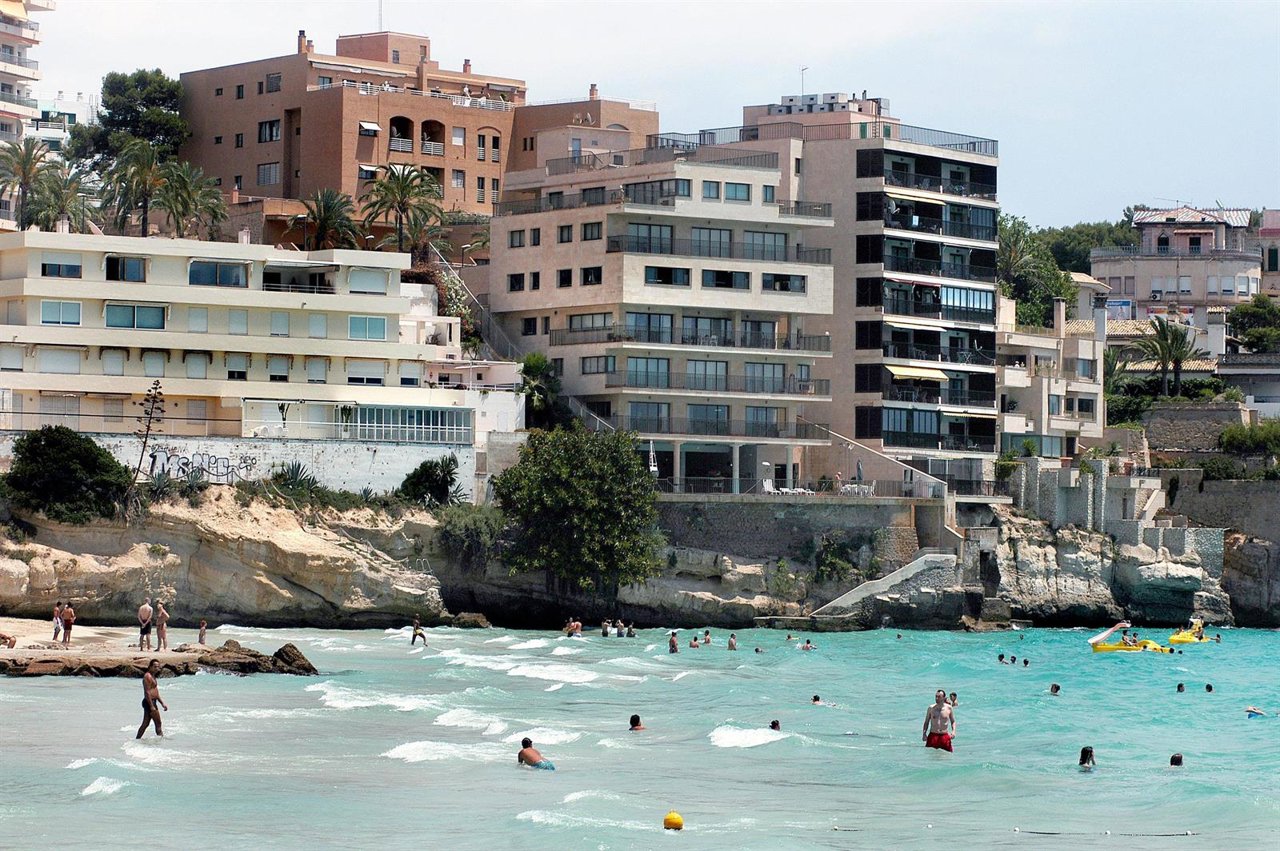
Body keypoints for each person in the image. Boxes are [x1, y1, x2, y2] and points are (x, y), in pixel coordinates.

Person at [135, 659, 168, 739]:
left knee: (145, 724)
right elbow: (147, 692)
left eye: (158, 667)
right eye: (155, 667)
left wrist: (162, 703)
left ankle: (137, 739)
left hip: (152, 701)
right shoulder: (147, 676)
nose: (157, 668)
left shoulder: (153, 676)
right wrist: (151, 706)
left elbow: (155, 692)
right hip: (149, 702)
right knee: (158, 723)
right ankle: (161, 741)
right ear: (150, 667)